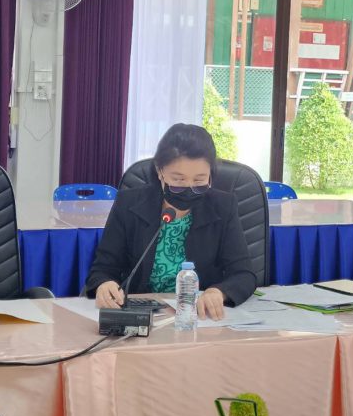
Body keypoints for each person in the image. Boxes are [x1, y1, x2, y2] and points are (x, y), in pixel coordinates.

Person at [85, 123, 256, 320]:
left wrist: (218, 292)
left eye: (199, 181)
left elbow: (244, 274)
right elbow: (103, 269)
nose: (189, 188)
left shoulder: (223, 207)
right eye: (178, 180)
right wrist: (105, 284)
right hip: (141, 316)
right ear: (160, 172)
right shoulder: (128, 203)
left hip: (198, 318)